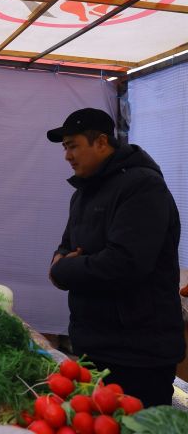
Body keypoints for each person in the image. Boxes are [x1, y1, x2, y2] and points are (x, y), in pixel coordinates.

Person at [47, 108, 185, 407]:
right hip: (93, 344)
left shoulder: (142, 186)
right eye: (65, 148)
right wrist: (64, 263)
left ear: (101, 142)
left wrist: (64, 269)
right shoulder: (83, 193)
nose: (67, 156)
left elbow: (124, 264)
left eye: (73, 146)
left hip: (138, 353)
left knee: (139, 424)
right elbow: (65, 247)